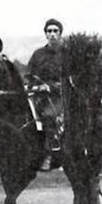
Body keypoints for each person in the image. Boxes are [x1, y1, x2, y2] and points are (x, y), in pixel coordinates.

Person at [25, 18, 64, 170]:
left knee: (48, 115)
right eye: (49, 31)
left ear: (60, 33)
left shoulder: (66, 54)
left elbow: (69, 78)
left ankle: (49, 154)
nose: (52, 34)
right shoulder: (38, 54)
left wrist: (50, 86)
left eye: (55, 31)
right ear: (45, 34)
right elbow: (29, 73)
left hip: (59, 96)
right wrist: (29, 84)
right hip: (38, 94)